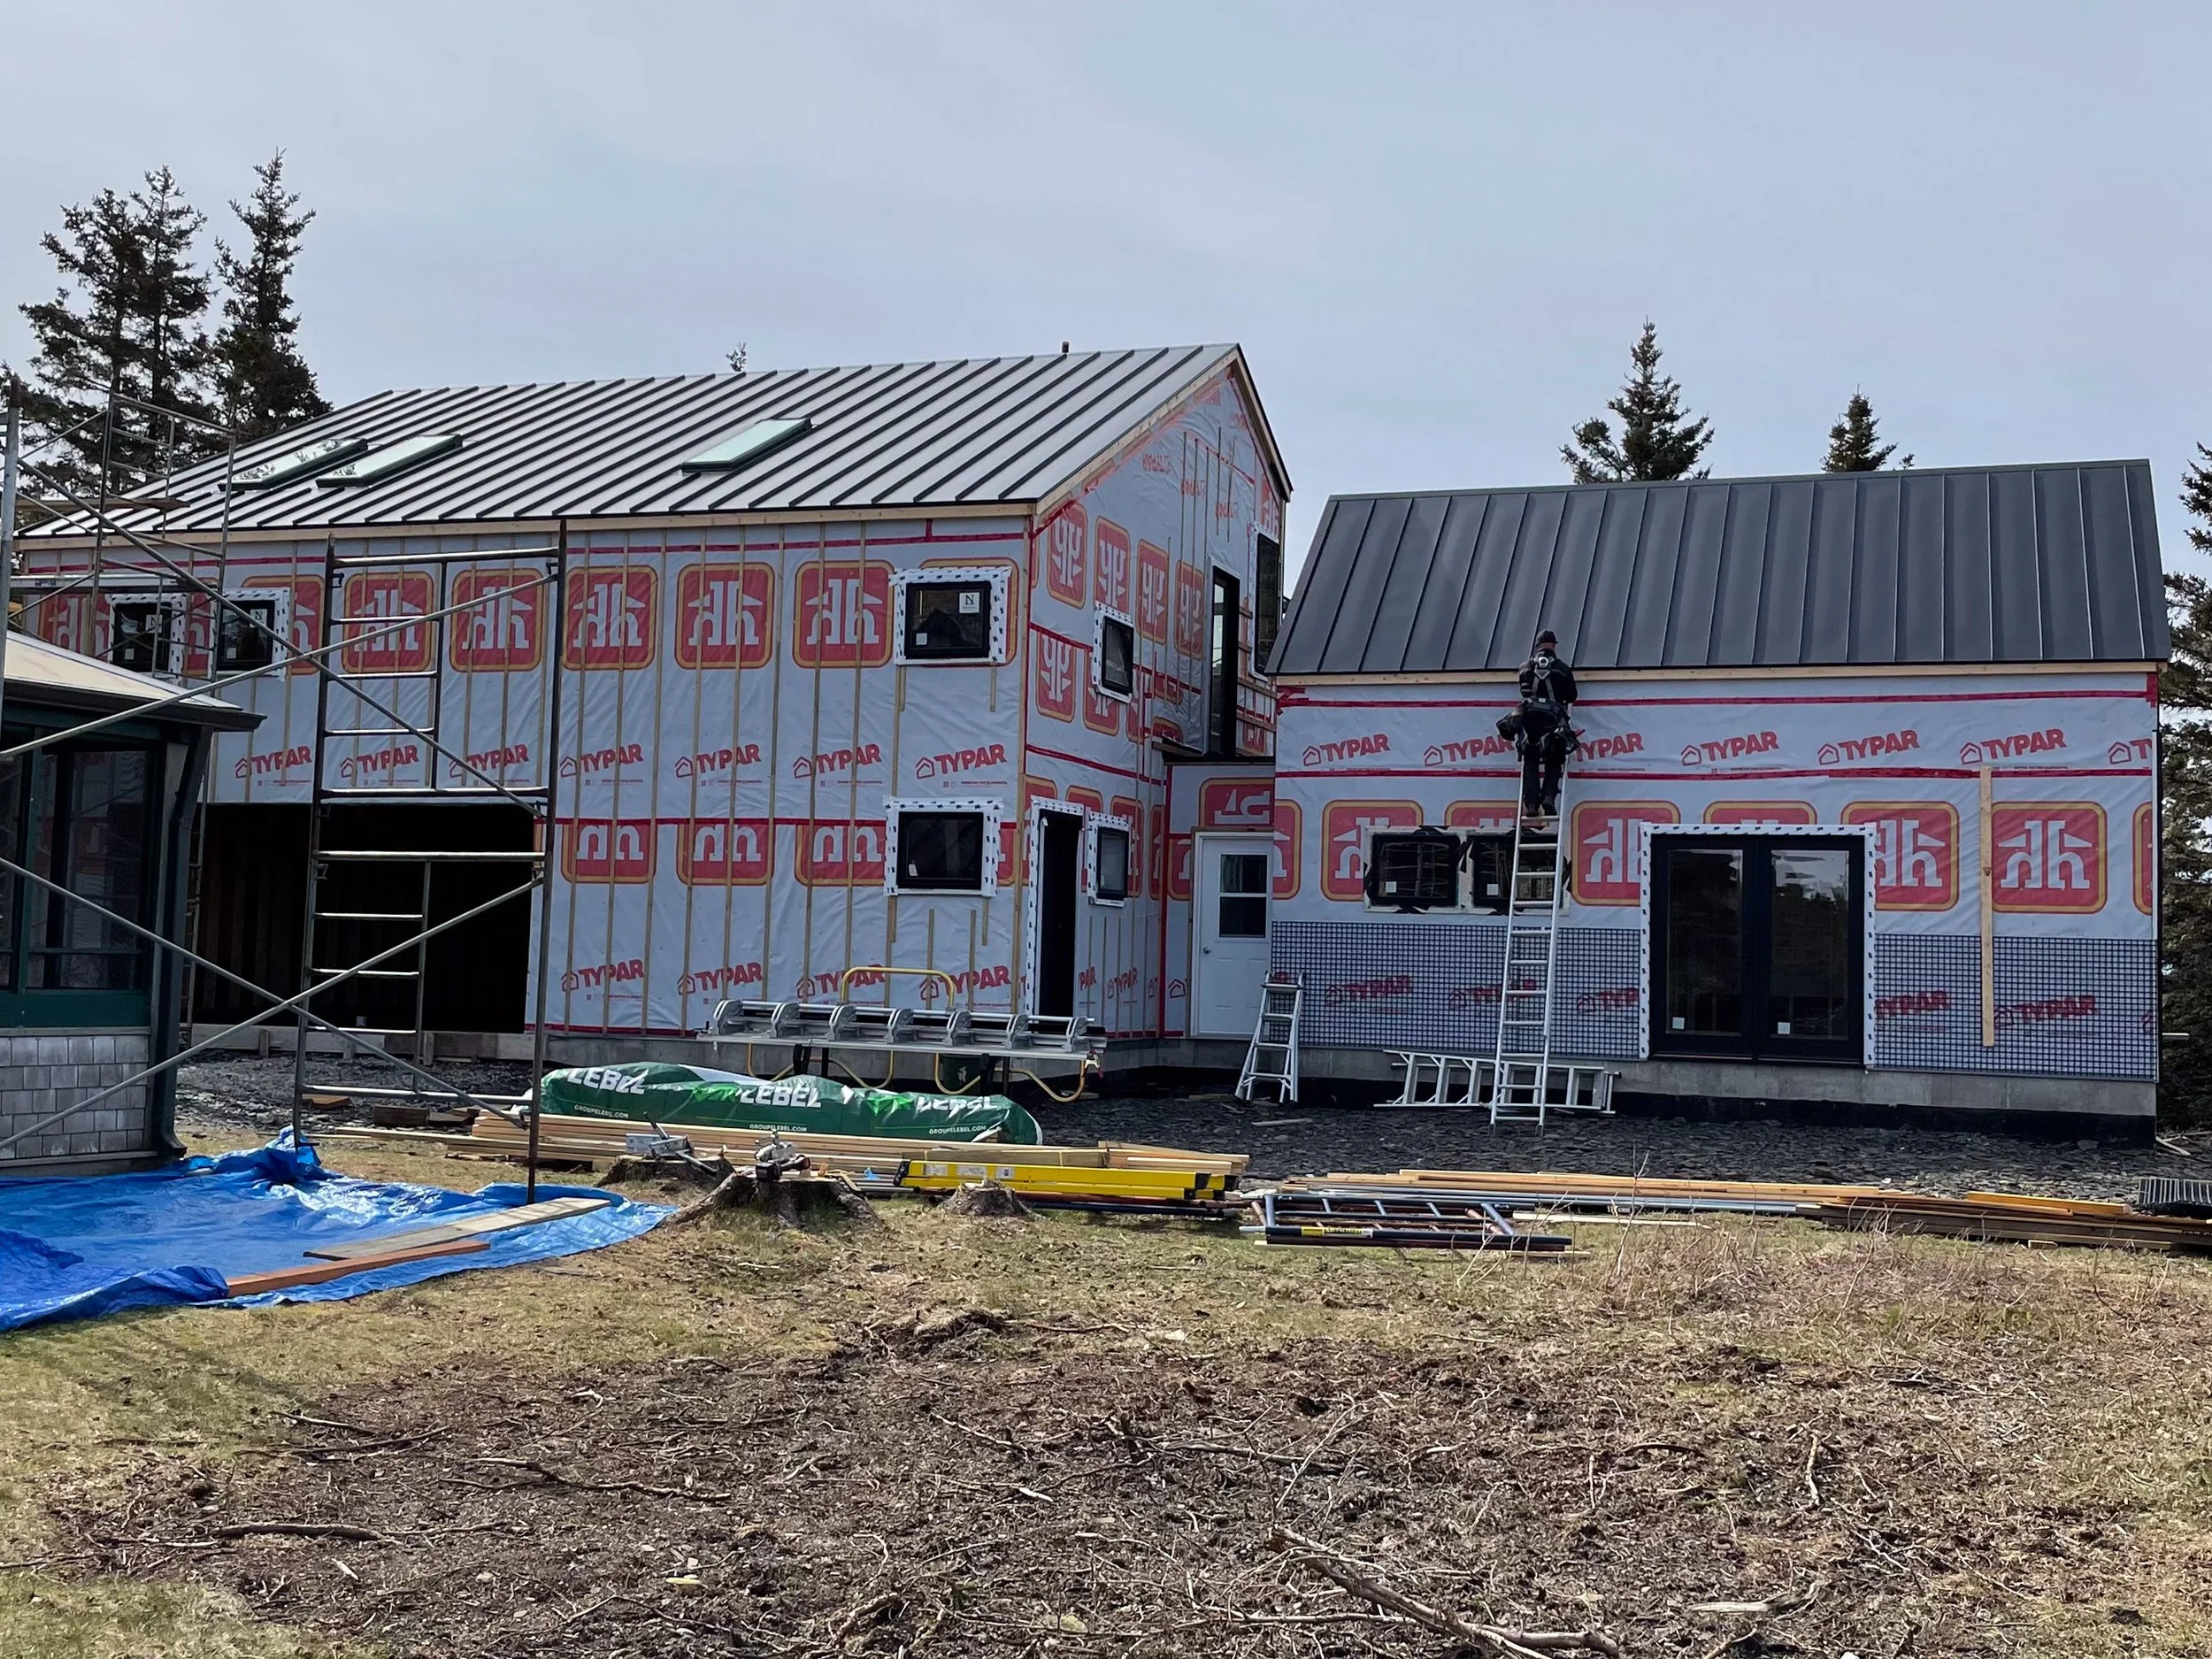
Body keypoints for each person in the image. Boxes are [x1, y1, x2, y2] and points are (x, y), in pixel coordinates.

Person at [1497, 629, 1578, 818]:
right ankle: (1548, 797)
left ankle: (1532, 804)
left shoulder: (1525, 667)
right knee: (1555, 760)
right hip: (1553, 722)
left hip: (1529, 723)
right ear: (1554, 646)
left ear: (1537, 645)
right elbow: (1572, 696)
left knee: (1531, 761)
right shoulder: (1563, 668)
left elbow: (1523, 691)